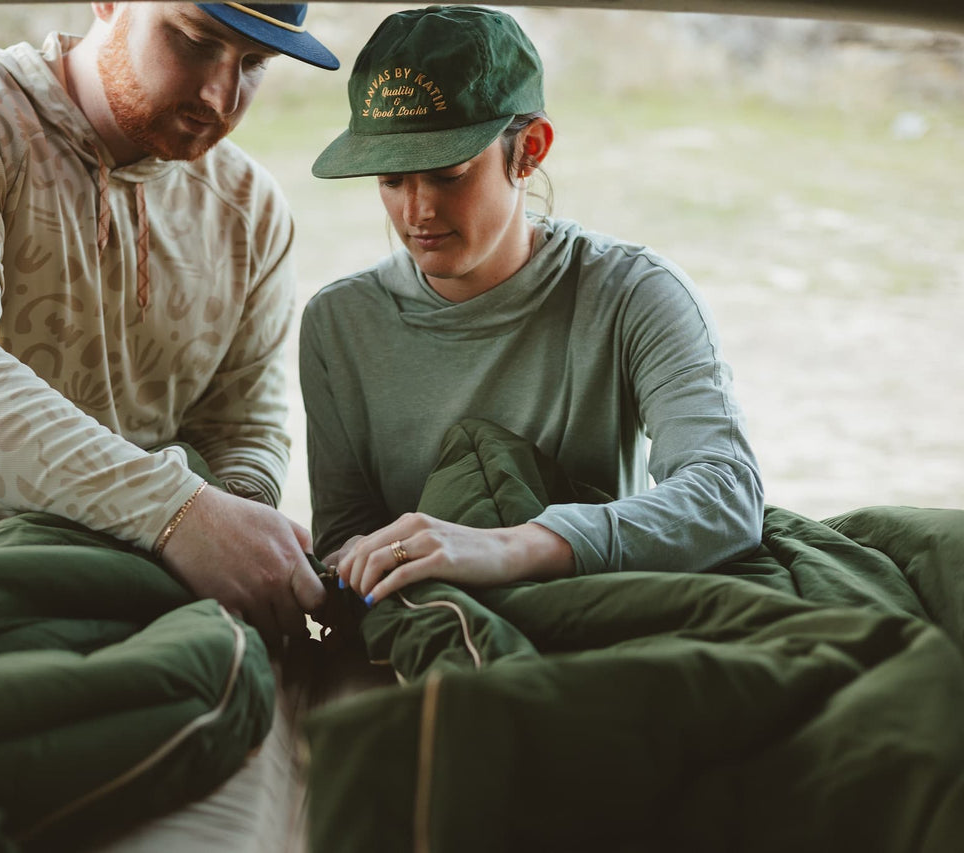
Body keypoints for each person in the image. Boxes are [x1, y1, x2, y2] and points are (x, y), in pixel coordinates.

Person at [0, 3, 340, 641]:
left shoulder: (252, 210)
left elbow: (243, 425)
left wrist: (231, 529)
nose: (222, 96)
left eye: (255, 63)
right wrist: (181, 514)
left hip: (110, 617)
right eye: (197, 41)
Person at [302, 5, 764, 606]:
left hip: (594, 618)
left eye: (446, 174)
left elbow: (726, 492)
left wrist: (508, 548)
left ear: (530, 150)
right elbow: (345, 536)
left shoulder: (634, 294)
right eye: (391, 180)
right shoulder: (338, 324)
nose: (416, 211)